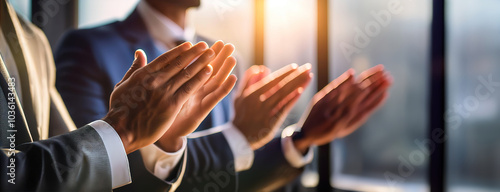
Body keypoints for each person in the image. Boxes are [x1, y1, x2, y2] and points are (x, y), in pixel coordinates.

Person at [55, 0, 393, 191]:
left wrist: (301, 139)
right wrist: (240, 135)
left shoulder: (225, 58)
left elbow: (228, 175)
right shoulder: (87, 48)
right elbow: (95, 170)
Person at [0, 0, 235, 191]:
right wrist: (123, 131)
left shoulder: (34, 40)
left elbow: (74, 169)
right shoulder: (86, 46)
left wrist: (163, 144)